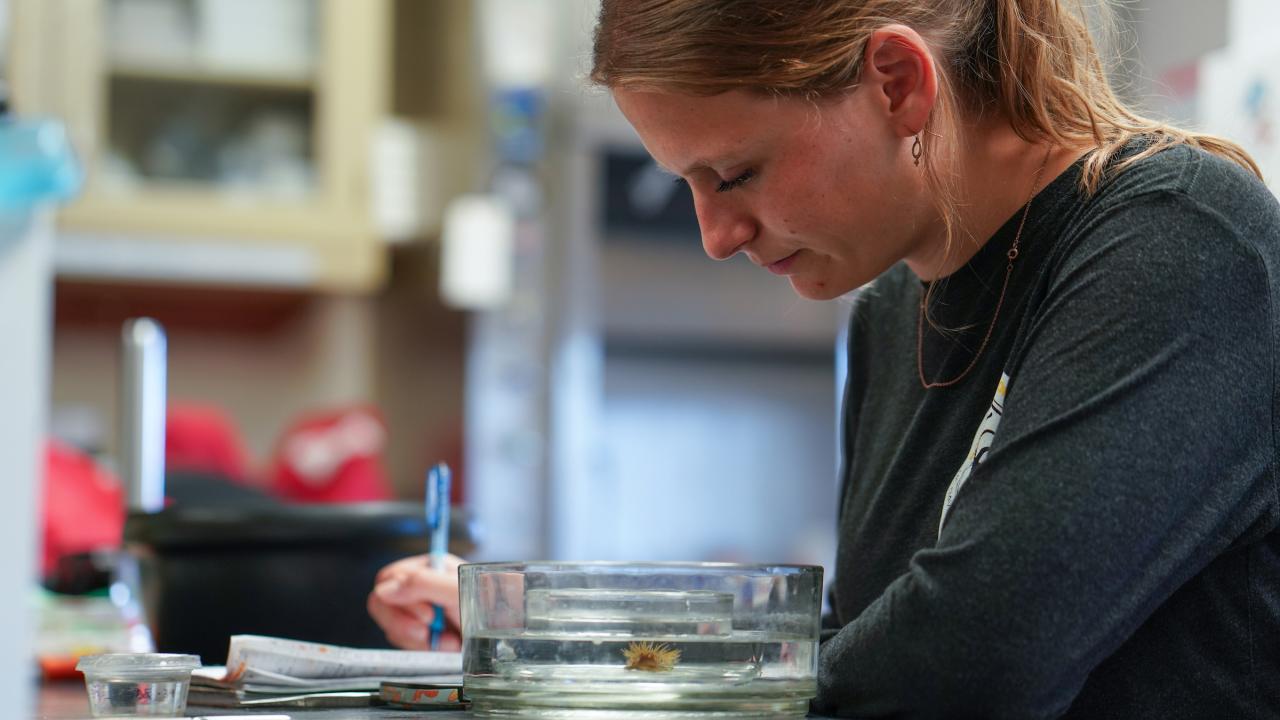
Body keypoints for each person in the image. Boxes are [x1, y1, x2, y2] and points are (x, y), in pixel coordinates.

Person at [371, 1, 1280, 716]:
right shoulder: (893, 312)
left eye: (734, 175)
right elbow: (850, 655)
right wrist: (543, 635)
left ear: (896, 82)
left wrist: (580, 645)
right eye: (683, 183)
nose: (717, 237)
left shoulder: (1182, 244)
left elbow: (966, 667)